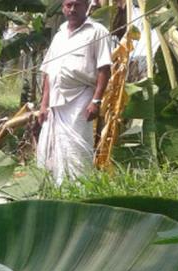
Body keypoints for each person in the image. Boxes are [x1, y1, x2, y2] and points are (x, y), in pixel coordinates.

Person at [37, 0, 112, 184]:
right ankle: (53, 188)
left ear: (86, 6)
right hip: (55, 99)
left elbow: (104, 69)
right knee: (49, 147)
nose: (72, 9)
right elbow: (48, 72)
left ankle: (78, 190)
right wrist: (43, 105)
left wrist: (96, 101)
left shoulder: (97, 31)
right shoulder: (60, 34)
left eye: (77, 5)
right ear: (63, 7)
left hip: (81, 97)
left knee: (76, 148)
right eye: (68, 5)